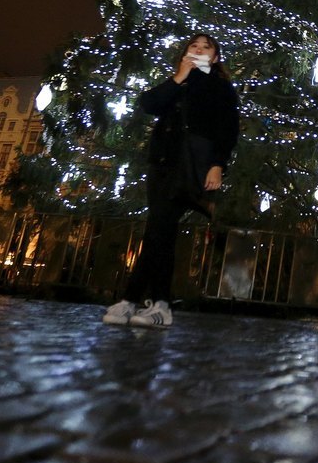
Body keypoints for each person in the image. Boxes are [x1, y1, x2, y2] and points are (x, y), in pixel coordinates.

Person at [103, 33, 240, 329]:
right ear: (184, 53)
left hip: (191, 167)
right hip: (162, 164)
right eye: (194, 46)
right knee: (158, 229)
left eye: (206, 47)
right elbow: (149, 104)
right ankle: (142, 303)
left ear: (215, 58)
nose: (199, 50)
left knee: (160, 226)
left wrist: (217, 165)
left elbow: (227, 130)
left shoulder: (221, 88)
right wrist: (178, 77)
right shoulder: (178, 82)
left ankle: (148, 302)